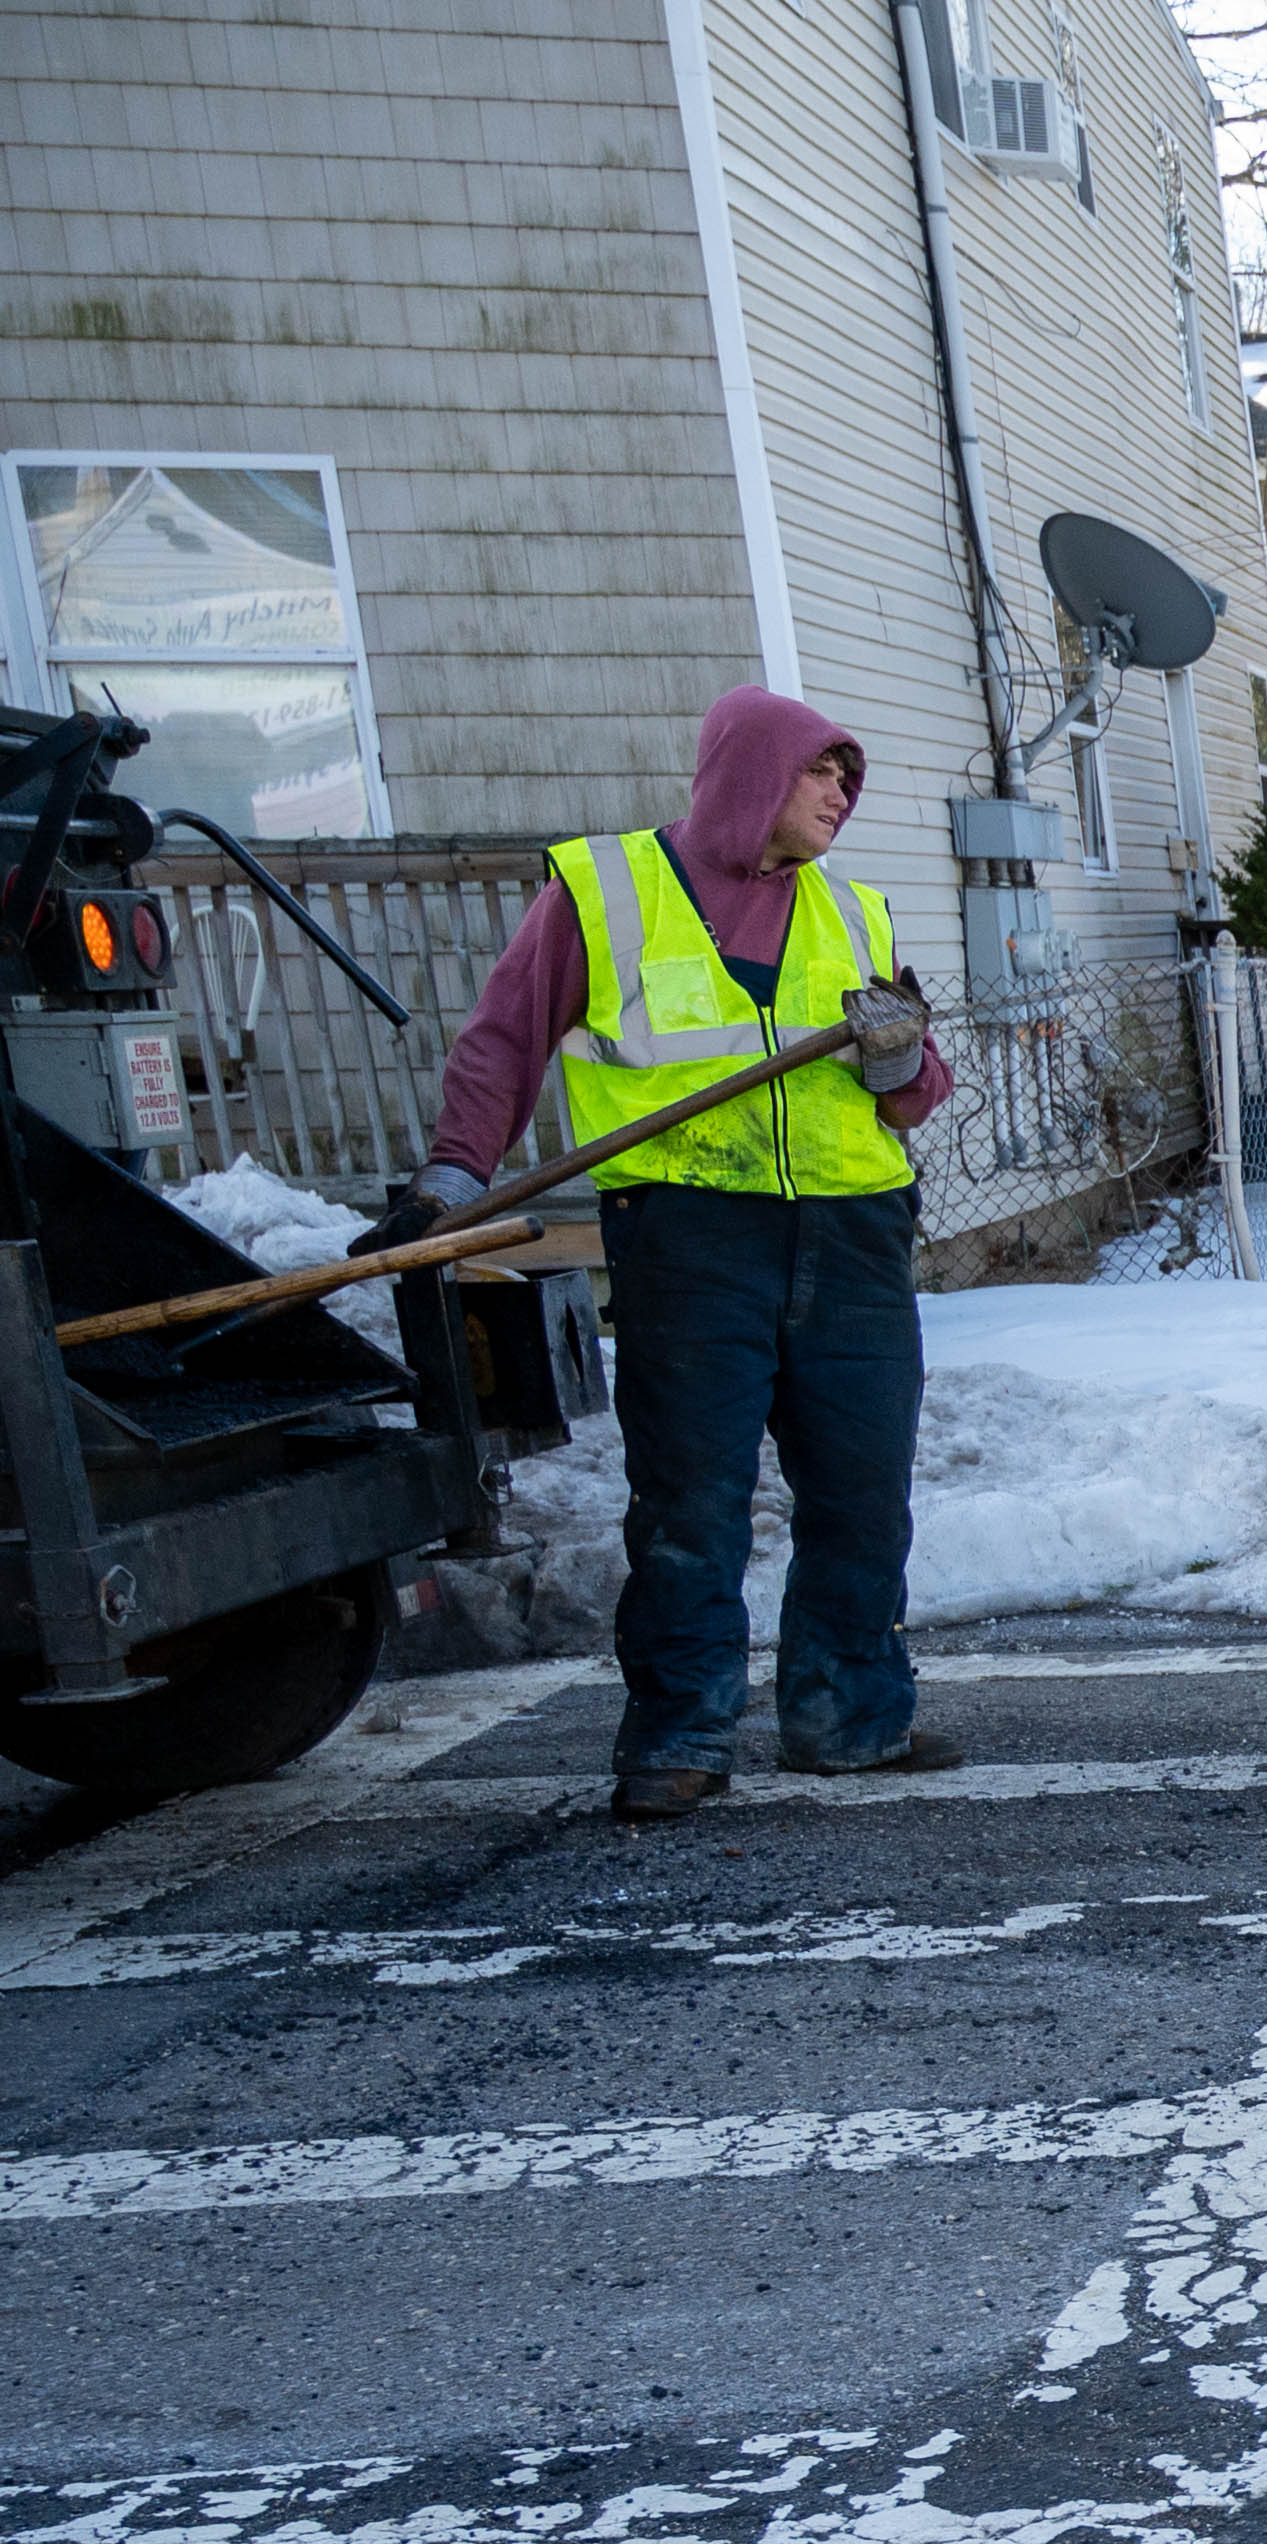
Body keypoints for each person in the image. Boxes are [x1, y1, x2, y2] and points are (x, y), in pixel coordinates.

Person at [399, 685, 952, 1821]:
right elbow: (508, 1036)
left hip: (853, 1240)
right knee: (690, 1503)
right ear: (754, 770)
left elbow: (914, 1098)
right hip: (692, 1241)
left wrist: (902, 1063)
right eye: (822, 770)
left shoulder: (853, 913)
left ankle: (850, 1717)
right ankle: (679, 1739)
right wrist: (455, 1176)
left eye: (850, 775)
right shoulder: (605, 894)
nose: (843, 793)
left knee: (861, 1496)